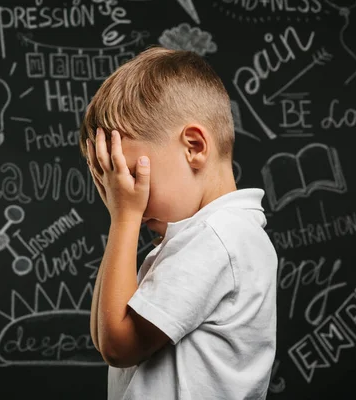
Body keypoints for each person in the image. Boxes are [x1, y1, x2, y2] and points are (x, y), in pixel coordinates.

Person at [79, 46, 278, 400]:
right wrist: (120, 215)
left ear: (194, 147)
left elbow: (118, 347)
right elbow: (101, 335)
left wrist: (123, 219)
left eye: (129, 174)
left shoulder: (219, 237)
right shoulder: (211, 235)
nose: (125, 196)